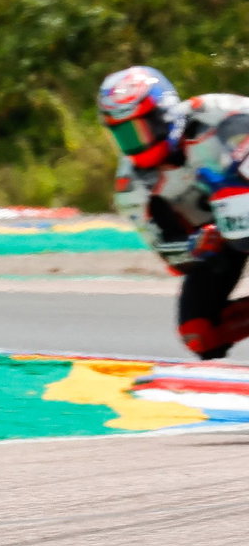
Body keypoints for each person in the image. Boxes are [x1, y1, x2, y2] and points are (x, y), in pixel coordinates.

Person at [98, 65, 249, 359]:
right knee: (198, 333)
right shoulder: (132, 187)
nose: (134, 143)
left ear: (164, 112)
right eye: (124, 134)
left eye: (139, 129)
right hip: (218, 241)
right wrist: (194, 247)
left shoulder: (217, 112)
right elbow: (169, 256)